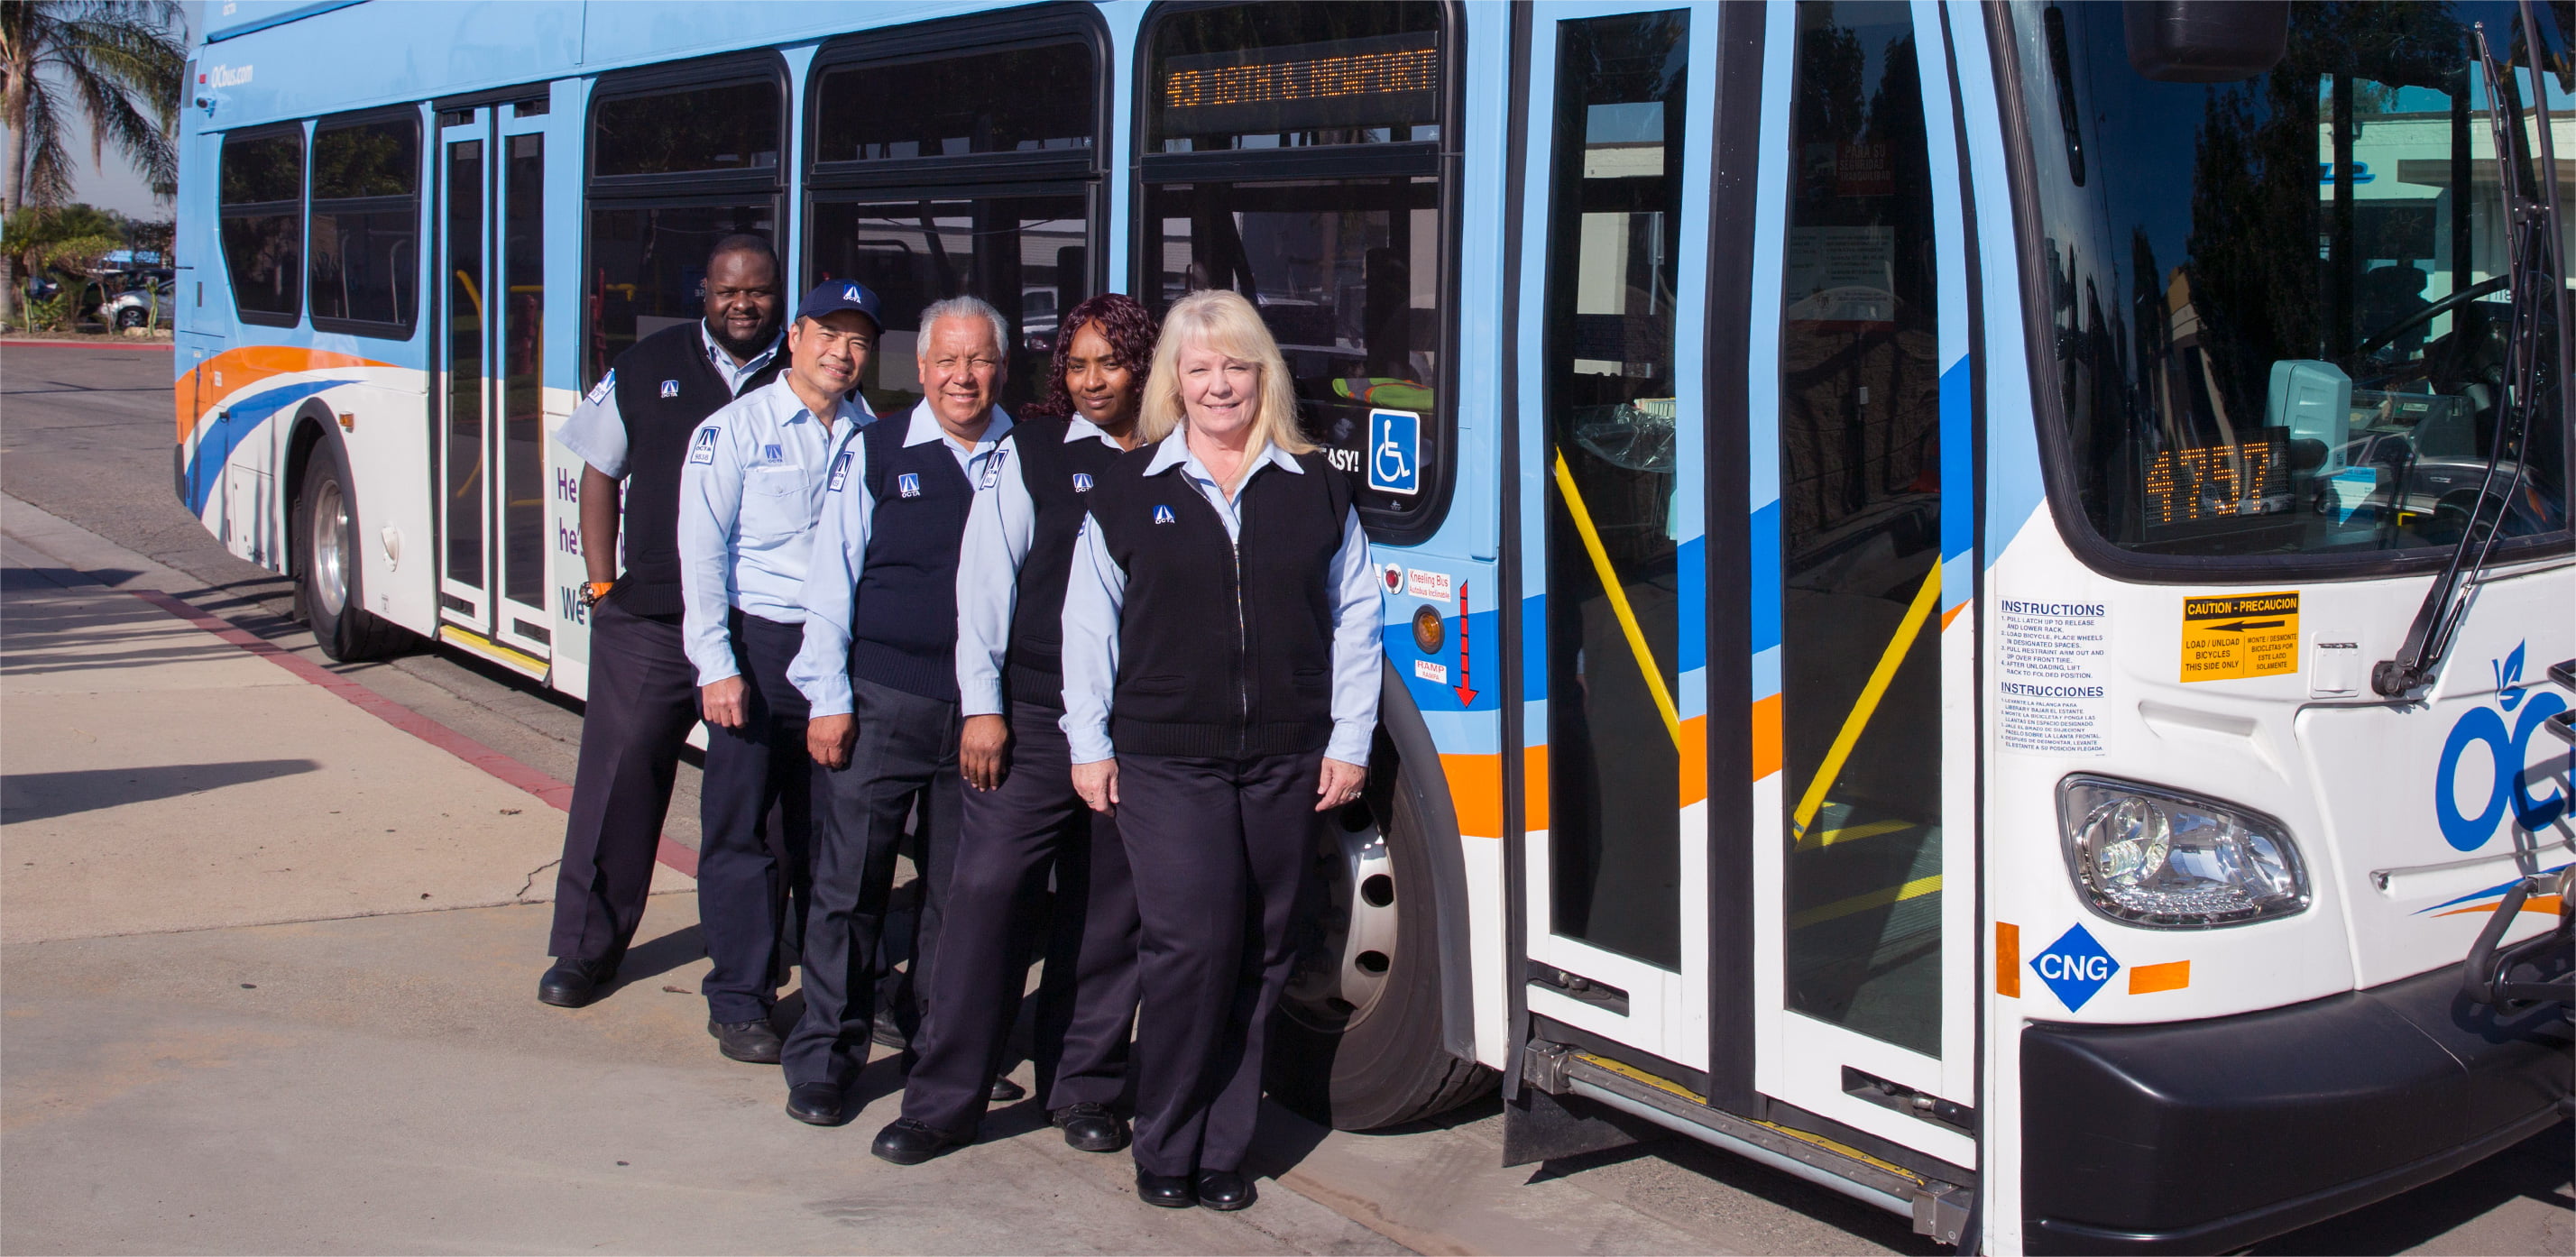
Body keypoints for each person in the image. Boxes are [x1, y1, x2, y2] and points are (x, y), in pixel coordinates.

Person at [1061, 289, 1383, 1211]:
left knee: (1263, 950)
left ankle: (1222, 1148)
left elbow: (1359, 617)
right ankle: (1164, 1138)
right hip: (1167, 760)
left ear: (1262, 374)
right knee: (1191, 945)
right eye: (1197, 369)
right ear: (1174, 380)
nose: (1217, 385)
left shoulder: (1314, 485)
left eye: (1234, 366)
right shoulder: (1130, 488)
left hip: (1284, 757)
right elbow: (1088, 627)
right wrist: (1089, 744)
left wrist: (1348, 738)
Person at [872, 295, 1157, 1162]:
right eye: (1076, 364)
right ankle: (943, 1099)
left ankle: (1084, 1090)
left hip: (1132, 729)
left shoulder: (1178, 463)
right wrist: (984, 707)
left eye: (1111, 362)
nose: (1093, 380)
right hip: (1031, 718)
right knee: (986, 899)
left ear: (1142, 366)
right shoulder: (1027, 453)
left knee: (1108, 917)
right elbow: (983, 588)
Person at [780, 297, 1017, 1129]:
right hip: (882, 703)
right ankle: (825, 1056)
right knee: (850, 887)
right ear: (918, 370)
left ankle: (940, 1048)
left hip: (983, 717)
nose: (962, 376)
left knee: (962, 897)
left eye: (979, 359)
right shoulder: (873, 450)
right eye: (946, 360)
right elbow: (829, 582)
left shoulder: (1025, 456)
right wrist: (830, 699)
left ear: (1001, 366)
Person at [538, 235, 787, 1010]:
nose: (741, 304)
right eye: (726, 291)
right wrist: (603, 583)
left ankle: (760, 957)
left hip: (754, 629)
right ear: (703, 295)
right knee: (619, 784)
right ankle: (586, 949)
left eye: (757, 291)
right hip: (649, 621)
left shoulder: (805, 371)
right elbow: (598, 470)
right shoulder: (649, 366)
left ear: (777, 295)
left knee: (758, 806)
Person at [676, 280, 881, 1063]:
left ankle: (832, 992)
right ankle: (740, 996)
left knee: (830, 836)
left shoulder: (873, 435)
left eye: (859, 341)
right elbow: (703, 557)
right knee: (743, 834)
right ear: (794, 337)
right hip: (759, 650)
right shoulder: (735, 429)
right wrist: (716, 665)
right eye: (829, 333)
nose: (843, 352)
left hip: (842, 658)